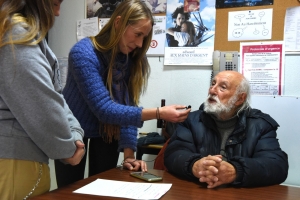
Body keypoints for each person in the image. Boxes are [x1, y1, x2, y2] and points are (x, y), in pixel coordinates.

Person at [54, 0, 191, 188]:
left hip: (107, 133)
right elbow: (105, 109)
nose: (140, 43)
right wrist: (159, 112)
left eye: (145, 36)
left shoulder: (131, 59)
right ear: (118, 23)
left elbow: (126, 109)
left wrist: (129, 155)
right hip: (73, 130)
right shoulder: (83, 53)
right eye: (137, 34)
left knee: (103, 189)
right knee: (68, 191)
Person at [0, 0, 85, 199]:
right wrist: (69, 147)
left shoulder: (26, 35)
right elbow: (43, 110)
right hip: (15, 163)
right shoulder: (16, 36)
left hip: (20, 161)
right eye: (55, 4)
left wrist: (75, 134)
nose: (57, 13)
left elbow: (55, 97)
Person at [164, 71, 288, 188]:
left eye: (222, 87)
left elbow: (277, 166)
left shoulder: (260, 125)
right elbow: (173, 154)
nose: (212, 90)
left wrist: (236, 171)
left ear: (240, 99)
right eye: (213, 84)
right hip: (199, 192)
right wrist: (194, 165)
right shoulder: (191, 121)